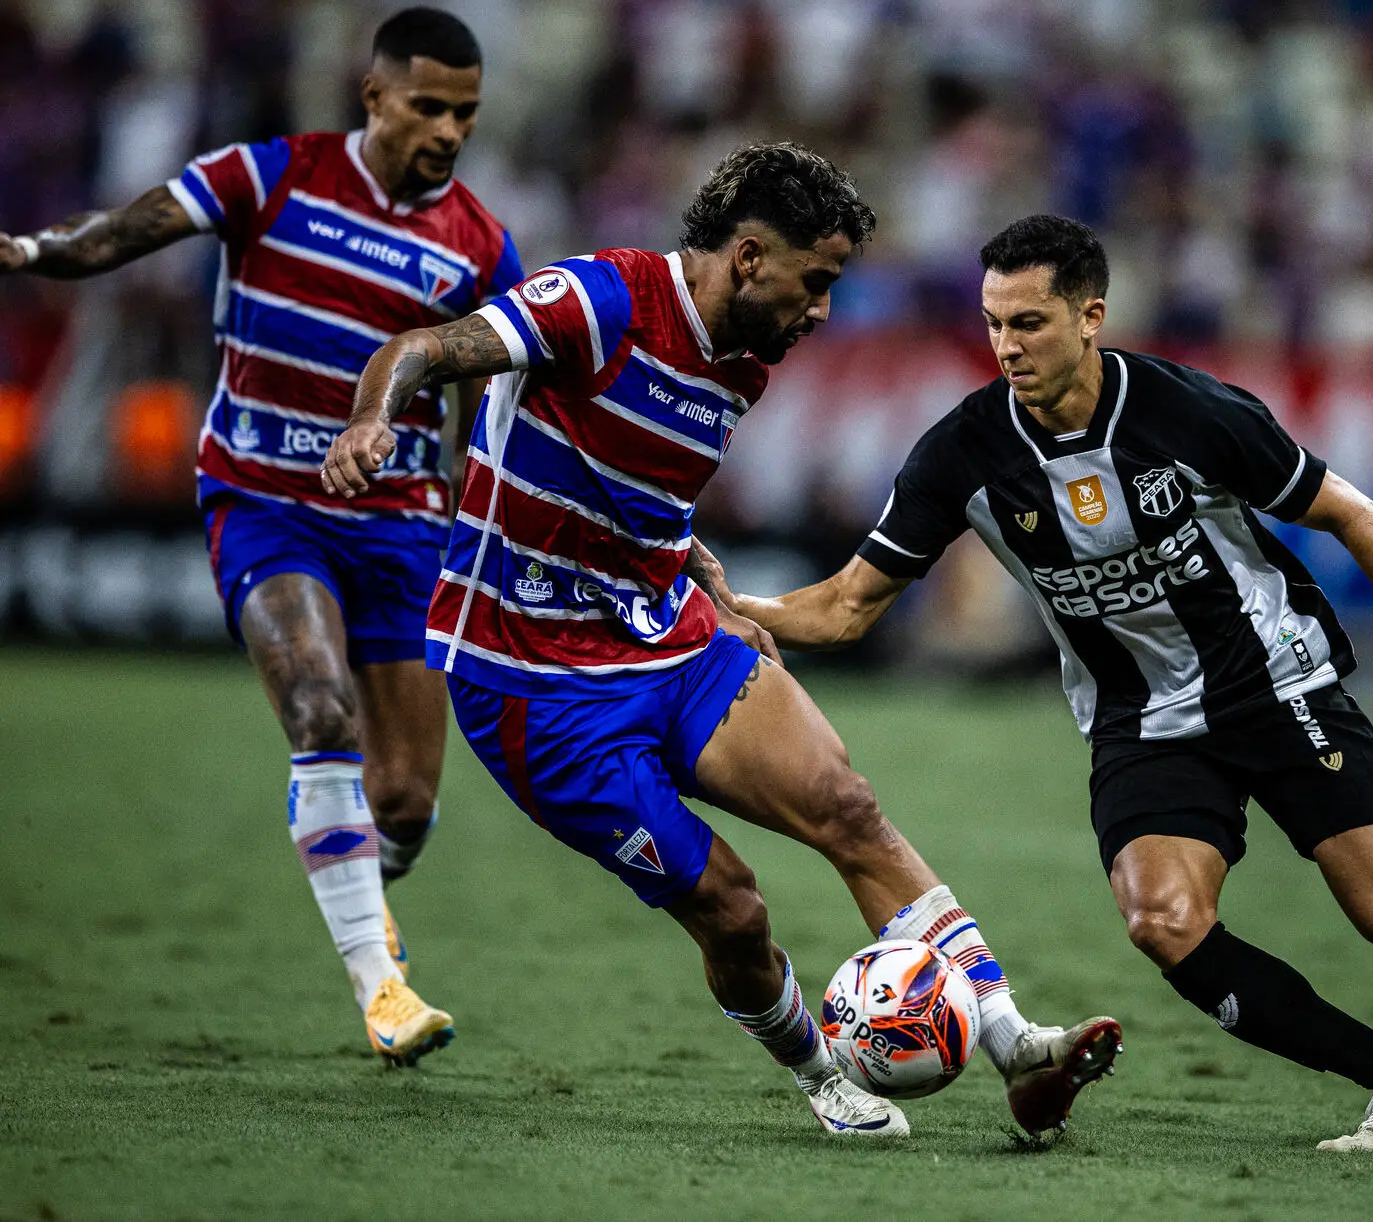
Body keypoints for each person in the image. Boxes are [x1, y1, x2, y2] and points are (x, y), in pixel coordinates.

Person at [726, 214, 1373, 1153]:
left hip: (1273, 682)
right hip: (1138, 717)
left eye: (1029, 322)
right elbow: (846, 605)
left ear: (1090, 317)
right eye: (994, 323)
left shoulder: (1188, 412)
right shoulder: (964, 451)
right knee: (1163, 920)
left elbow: (1353, 513)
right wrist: (728, 606)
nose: (1007, 346)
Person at [319, 144, 1120, 1139]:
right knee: (733, 910)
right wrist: (369, 424)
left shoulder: (746, 358)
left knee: (848, 806)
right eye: (815, 281)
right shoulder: (599, 301)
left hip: (664, 635)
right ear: (748, 258)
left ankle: (1012, 1044)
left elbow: (638, 484)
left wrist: (698, 576)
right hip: (535, 686)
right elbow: (424, 349)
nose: (822, 310)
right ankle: (822, 1074)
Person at [0, 8, 522, 1063]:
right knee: (321, 710)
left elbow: (493, 412)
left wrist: (483, 526)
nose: (449, 130)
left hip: (401, 527)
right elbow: (127, 230)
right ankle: (382, 988)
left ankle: (357, 884)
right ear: (372, 95)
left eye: (465, 113)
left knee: (406, 803)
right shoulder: (270, 176)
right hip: (265, 499)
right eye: (428, 106)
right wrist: (31, 251)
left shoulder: (480, 244)